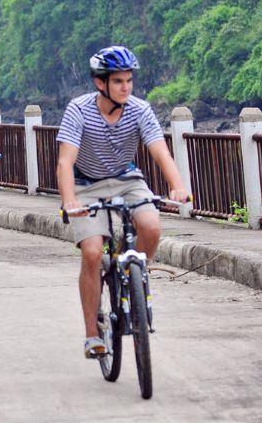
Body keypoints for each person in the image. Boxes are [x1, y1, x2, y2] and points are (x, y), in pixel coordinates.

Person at [56, 46, 188, 360]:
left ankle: (134, 279)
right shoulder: (79, 109)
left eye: (129, 80)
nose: (126, 87)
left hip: (128, 179)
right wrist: (69, 199)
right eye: (118, 81)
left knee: (151, 227)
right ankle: (92, 334)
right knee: (91, 252)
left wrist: (178, 186)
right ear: (101, 83)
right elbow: (65, 162)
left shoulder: (140, 110)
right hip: (86, 184)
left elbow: (160, 151)